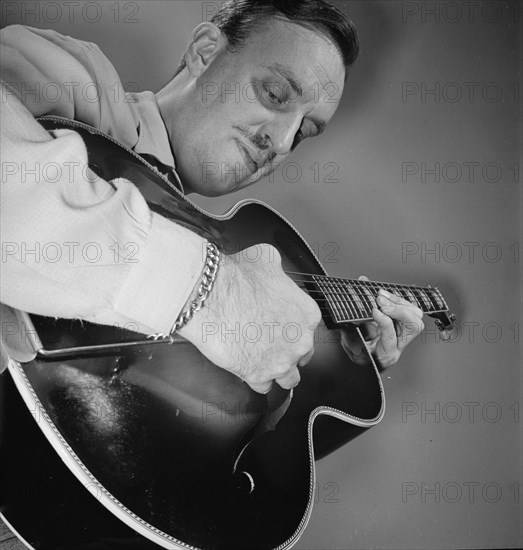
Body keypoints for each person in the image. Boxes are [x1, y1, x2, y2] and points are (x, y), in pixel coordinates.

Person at [0, 0, 424, 395]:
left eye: (303, 133)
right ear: (204, 51)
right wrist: (212, 293)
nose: (280, 142)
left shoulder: (220, 256)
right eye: (275, 94)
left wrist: (337, 359)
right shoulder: (77, 77)